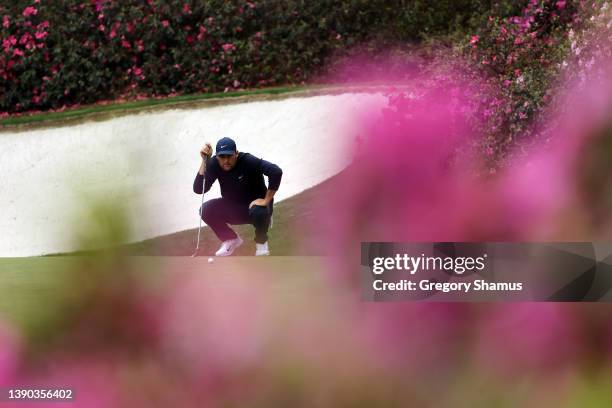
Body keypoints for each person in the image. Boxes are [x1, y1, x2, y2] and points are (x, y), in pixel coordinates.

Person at [193, 137, 282, 256]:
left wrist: (266, 200)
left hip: (256, 206)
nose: (226, 161)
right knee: (205, 210)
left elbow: (275, 171)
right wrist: (204, 161)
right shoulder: (214, 163)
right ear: (217, 156)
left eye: (229, 156)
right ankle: (231, 239)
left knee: (259, 212)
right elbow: (199, 189)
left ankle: (261, 243)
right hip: (234, 207)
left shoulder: (247, 160)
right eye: (222, 157)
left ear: (236, 153)